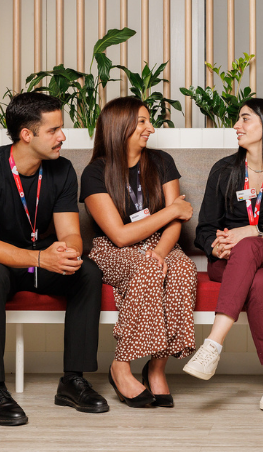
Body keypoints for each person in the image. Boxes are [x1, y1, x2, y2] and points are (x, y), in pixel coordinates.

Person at [0, 92, 108, 426]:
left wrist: (66, 252)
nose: (63, 136)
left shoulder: (62, 169)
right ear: (27, 134)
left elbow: (70, 233)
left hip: (37, 262)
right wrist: (40, 258)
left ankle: (73, 380)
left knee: (87, 272)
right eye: (53, 130)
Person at [184, 98, 263, 412]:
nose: (236, 126)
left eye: (245, 119)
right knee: (257, 280)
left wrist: (255, 231)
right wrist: (214, 245)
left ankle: (213, 343)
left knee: (251, 246)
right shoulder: (224, 170)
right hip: (228, 261)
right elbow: (205, 228)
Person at [81, 96, 197, 409]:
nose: (151, 129)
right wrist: (170, 211)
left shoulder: (161, 162)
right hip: (112, 249)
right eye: (143, 122)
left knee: (183, 269)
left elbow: (179, 220)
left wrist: (160, 250)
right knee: (146, 269)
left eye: (149, 121)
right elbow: (118, 235)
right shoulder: (95, 172)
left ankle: (157, 368)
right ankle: (121, 364)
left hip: (160, 242)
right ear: (120, 126)